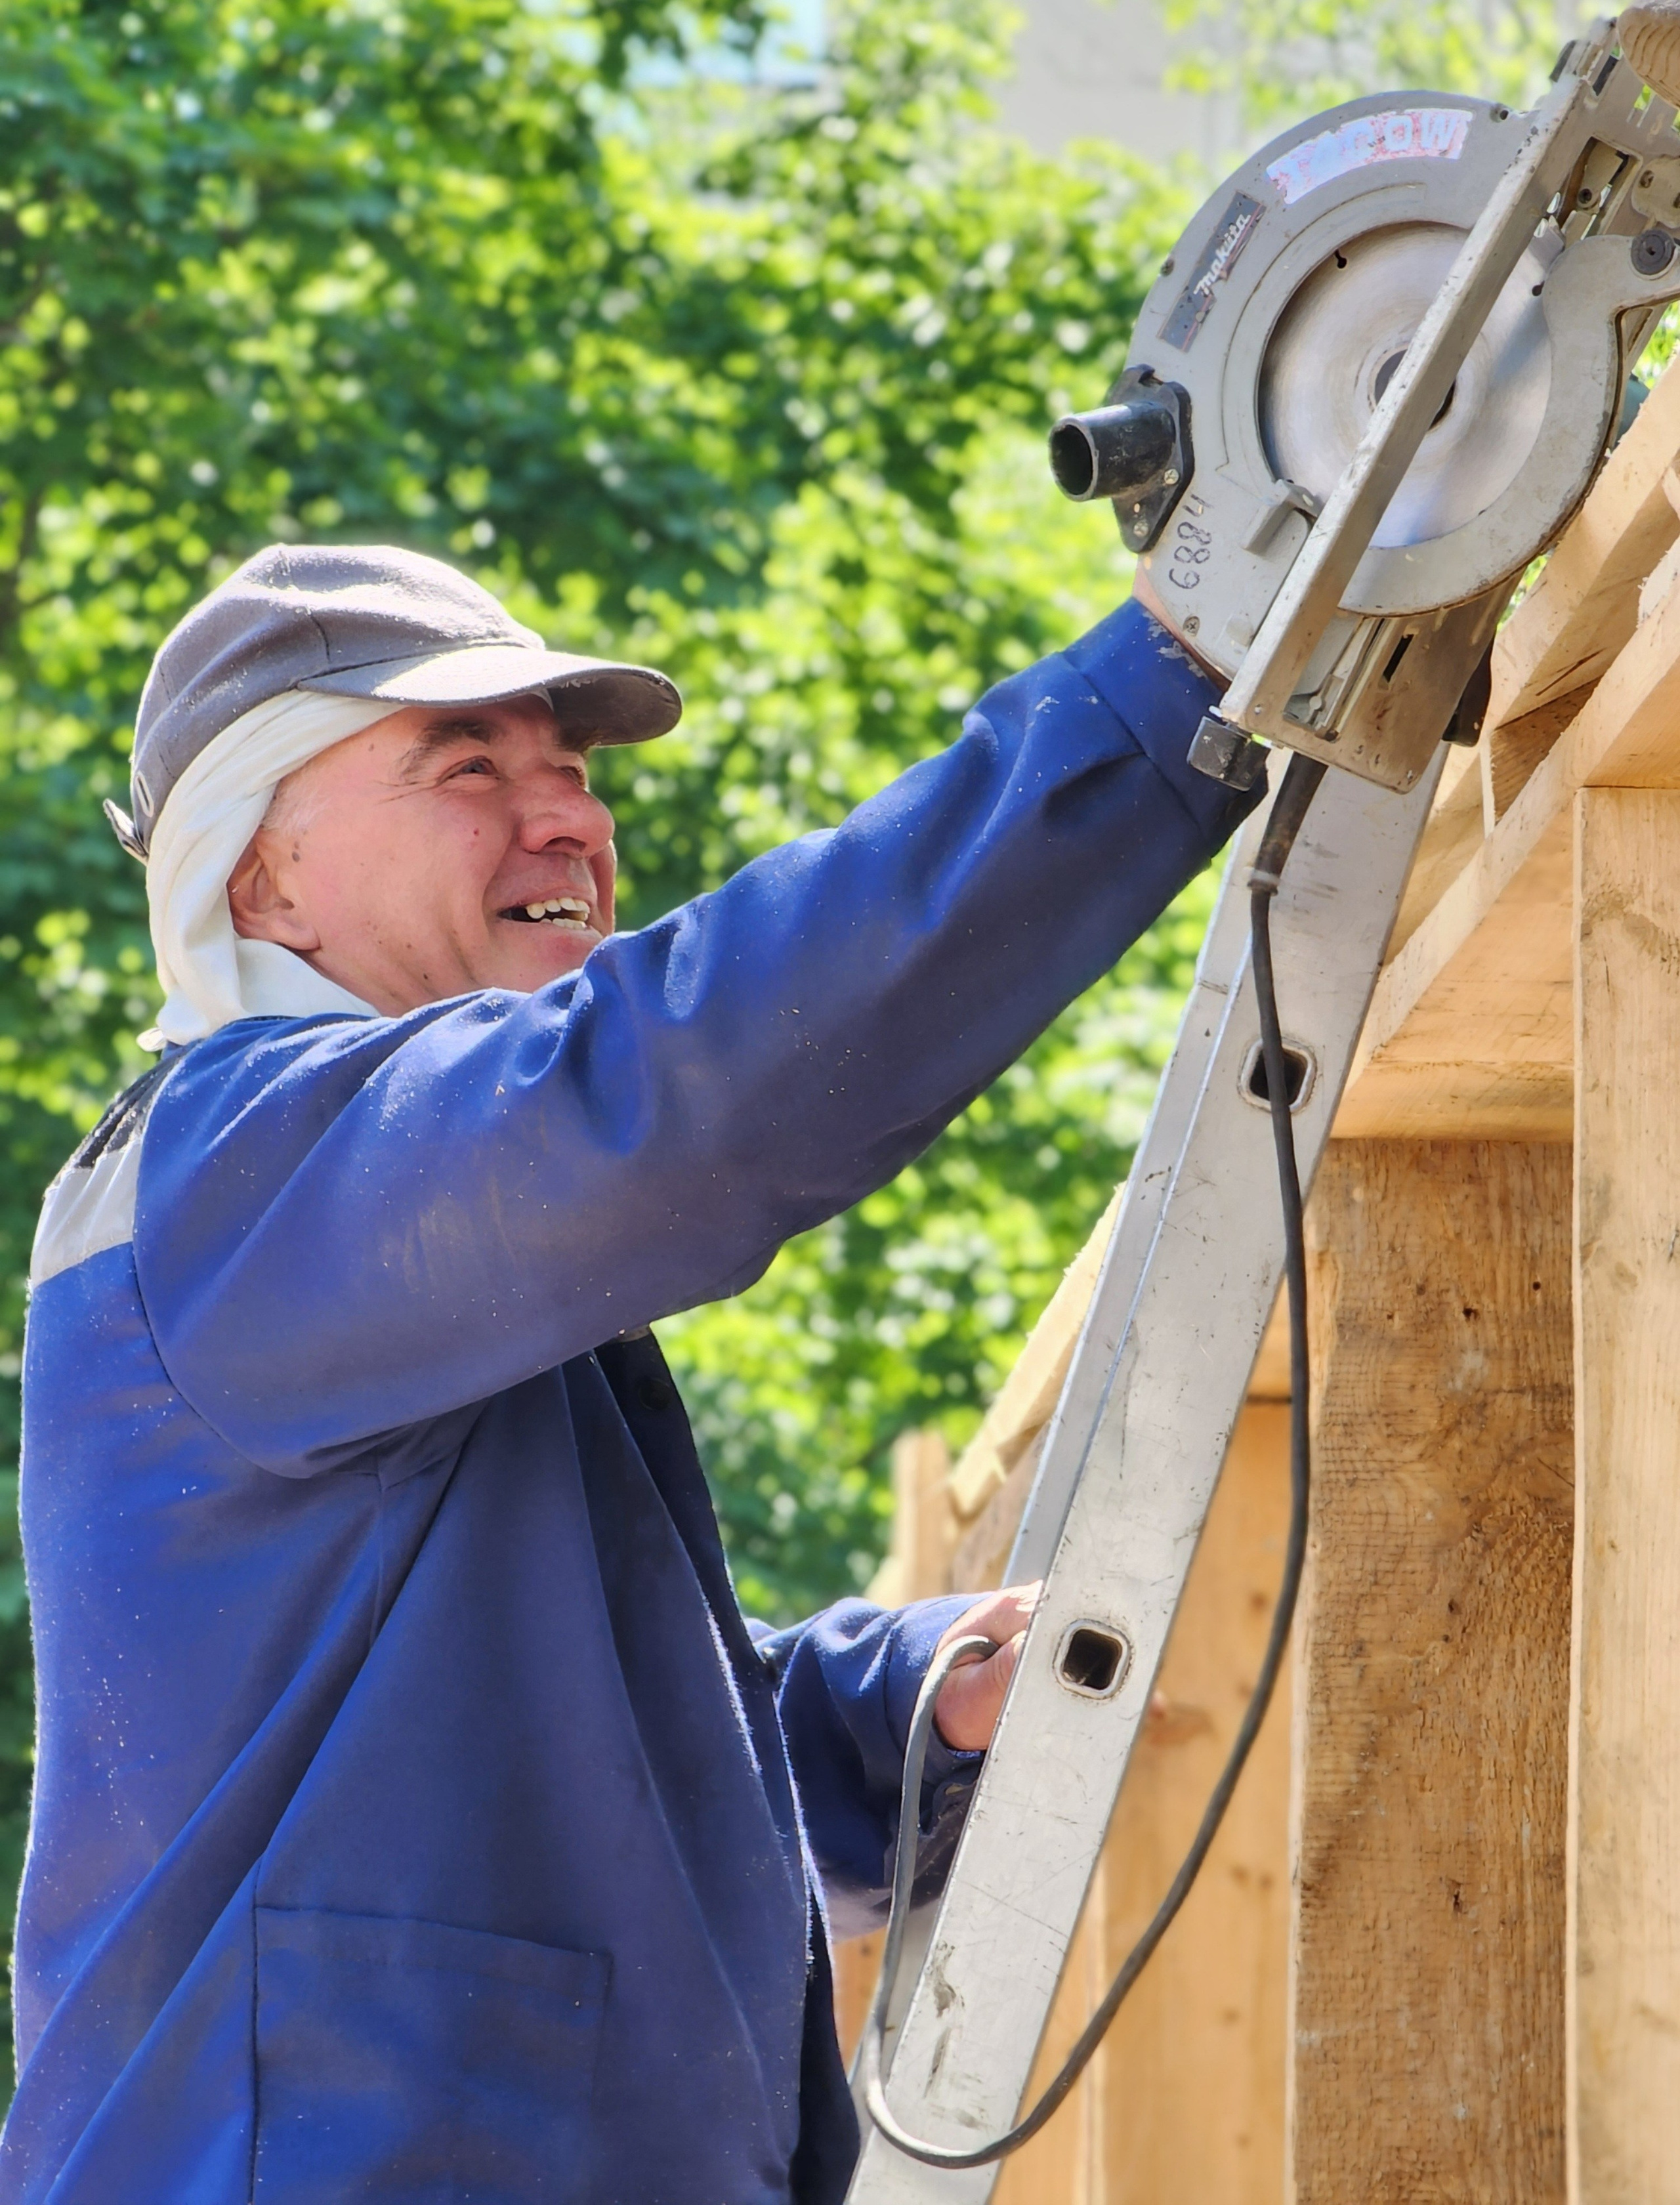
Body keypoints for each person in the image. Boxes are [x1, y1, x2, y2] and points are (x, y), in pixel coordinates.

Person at [1, 544, 1256, 2205]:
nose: (569, 823)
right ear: (262, 888)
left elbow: (557, 1778)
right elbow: (693, 1091)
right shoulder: (240, 1166)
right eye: (468, 769)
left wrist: (900, 1708)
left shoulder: (350, 1241)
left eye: (573, 775)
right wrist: (1172, 682)